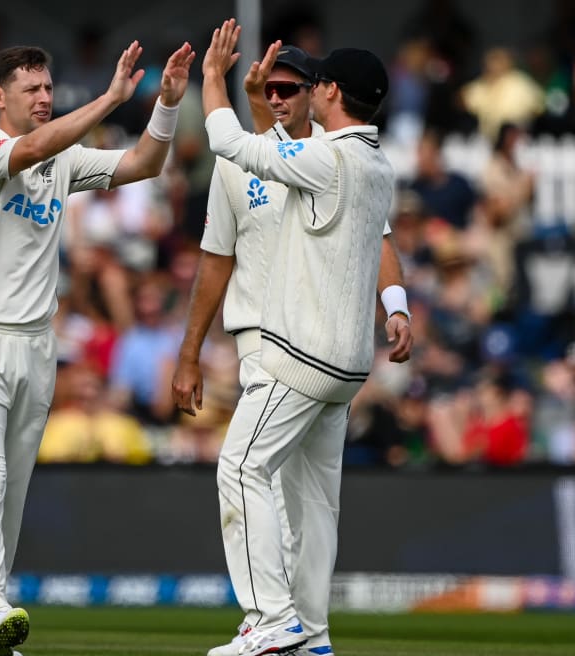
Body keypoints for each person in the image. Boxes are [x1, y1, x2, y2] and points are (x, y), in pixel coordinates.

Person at [0, 41, 195, 656]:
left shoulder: (65, 160)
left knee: (10, 501)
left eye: (49, 87)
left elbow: (142, 166)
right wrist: (108, 98)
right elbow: (29, 150)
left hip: (35, 347)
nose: (46, 97)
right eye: (32, 90)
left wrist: (165, 105)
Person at [172, 44, 412, 656]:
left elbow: (232, 142)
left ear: (327, 92)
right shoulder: (376, 163)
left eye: (303, 86)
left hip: (298, 355)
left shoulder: (325, 157)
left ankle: (272, 618)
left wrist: (211, 79)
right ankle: (313, 638)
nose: (281, 98)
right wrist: (398, 307)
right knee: (312, 507)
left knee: (240, 468)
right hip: (347, 365)